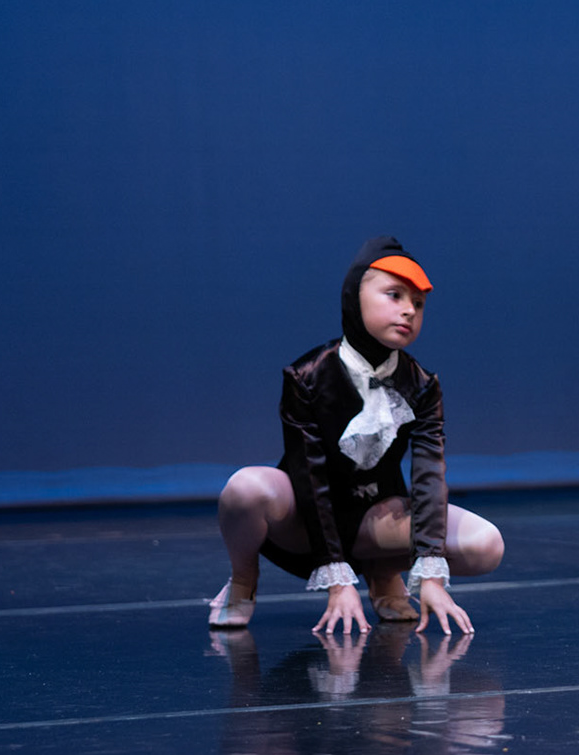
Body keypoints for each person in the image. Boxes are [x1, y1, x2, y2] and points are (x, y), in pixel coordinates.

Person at [207, 237, 504, 635]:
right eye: (394, 295)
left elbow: (429, 475)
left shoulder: (422, 385)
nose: (409, 310)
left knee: (486, 543)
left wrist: (431, 574)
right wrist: (338, 580)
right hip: (305, 521)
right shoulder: (308, 376)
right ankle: (244, 580)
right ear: (353, 297)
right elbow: (308, 472)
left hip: (374, 521)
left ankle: (383, 572)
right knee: (245, 489)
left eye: (418, 304)